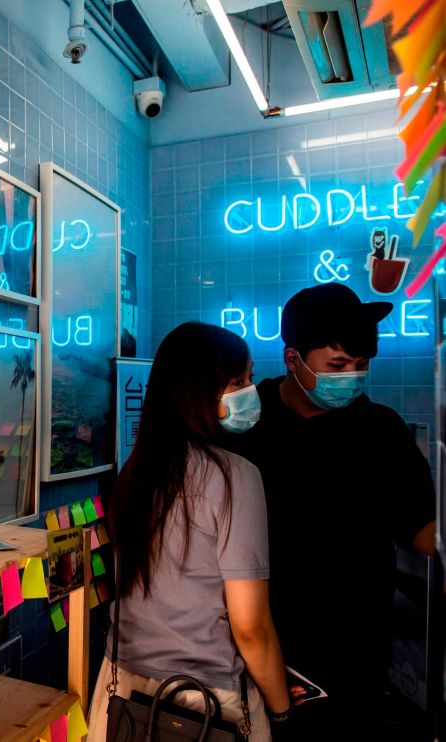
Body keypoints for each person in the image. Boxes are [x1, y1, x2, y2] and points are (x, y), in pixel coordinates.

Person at [223, 283, 436, 738]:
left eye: (361, 367)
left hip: (356, 650)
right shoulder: (246, 421)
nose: (352, 378)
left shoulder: (381, 430)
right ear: (293, 359)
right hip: (258, 641)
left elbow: (418, 527)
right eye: (337, 366)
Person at [87, 322, 290, 742]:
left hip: (119, 690)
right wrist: (282, 708)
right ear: (197, 391)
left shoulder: (134, 472)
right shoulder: (236, 478)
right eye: (238, 381)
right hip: (205, 705)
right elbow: (251, 627)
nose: (250, 391)